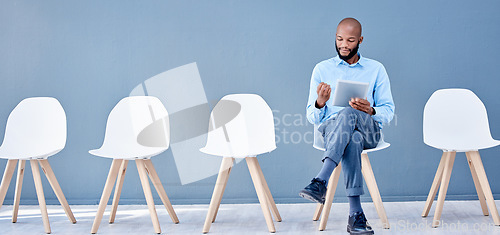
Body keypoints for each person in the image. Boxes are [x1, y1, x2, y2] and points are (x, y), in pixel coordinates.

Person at [299, 17, 395, 235]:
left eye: (350, 40)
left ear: (360, 40)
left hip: (368, 129)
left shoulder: (376, 69)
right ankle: (356, 215)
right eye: (340, 39)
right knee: (353, 140)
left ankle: (321, 179)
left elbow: (388, 111)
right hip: (333, 131)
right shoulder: (321, 69)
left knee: (351, 113)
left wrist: (370, 110)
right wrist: (320, 102)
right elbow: (312, 117)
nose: (344, 44)